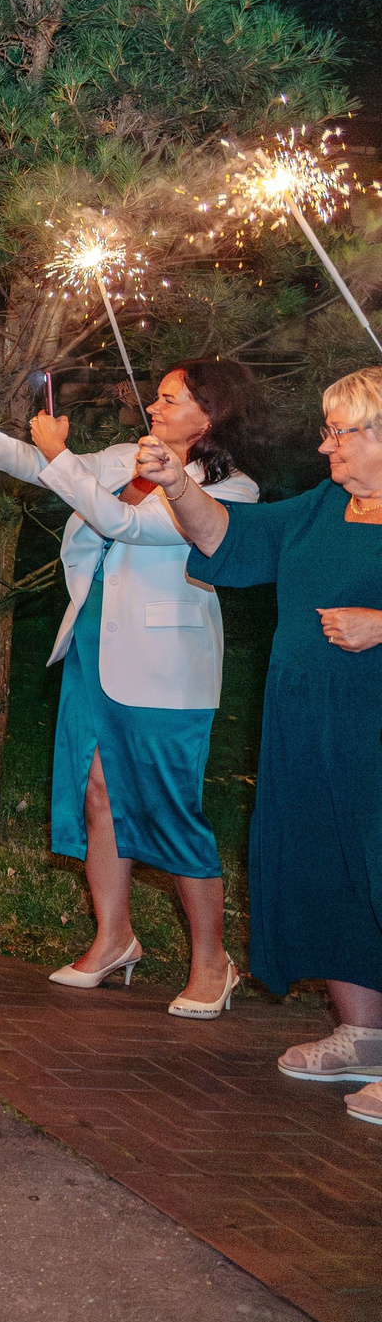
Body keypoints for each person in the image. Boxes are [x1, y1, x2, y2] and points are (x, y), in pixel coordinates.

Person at [0, 363, 265, 1011]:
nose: (154, 406)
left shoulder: (233, 489)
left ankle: (213, 962)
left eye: (170, 399)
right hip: (97, 644)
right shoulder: (130, 456)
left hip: (166, 666)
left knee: (173, 809)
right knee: (96, 792)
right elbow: (50, 467)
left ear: (211, 413)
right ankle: (114, 937)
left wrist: (63, 461)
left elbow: (129, 524)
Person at [143, 366, 382, 1122]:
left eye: (339, 431)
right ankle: (365, 1036)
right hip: (307, 728)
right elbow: (229, 536)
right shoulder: (321, 509)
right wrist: (176, 483)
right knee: (324, 867)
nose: (324, 445)